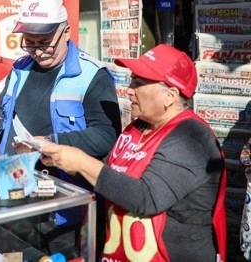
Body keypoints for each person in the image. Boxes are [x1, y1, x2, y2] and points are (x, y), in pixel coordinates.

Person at [40, 44, 227, 261]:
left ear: (170, 95)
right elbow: (112, 177)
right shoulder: (138, 127)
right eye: (131, 81)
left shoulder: (192, 136)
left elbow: (146, 197)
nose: (129, 89)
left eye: (138, 83)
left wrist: (82, 162)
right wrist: (61, 158)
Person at [0, 0, 121, 258]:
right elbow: (4, 112)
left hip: (64, 203)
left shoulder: (92, 76)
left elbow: (107, 135)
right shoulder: (21, 68)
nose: (38, 51)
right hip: (16, 191)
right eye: (29, 43)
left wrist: (53, 143)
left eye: (45, 43)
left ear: (66, 32)